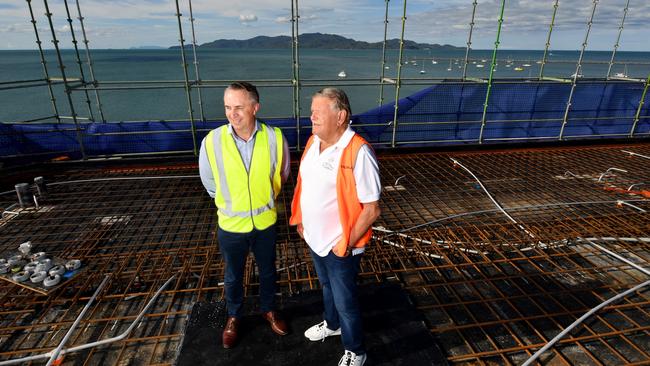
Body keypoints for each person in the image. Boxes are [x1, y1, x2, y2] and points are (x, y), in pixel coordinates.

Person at [290, 88, 381, 366]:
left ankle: (356, 350)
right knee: (327, 287)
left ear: (340, 116)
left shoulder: (358, 151)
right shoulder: (312, 142)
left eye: (319, 111)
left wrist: (346, 243)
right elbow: (306, 184)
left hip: (341, 244)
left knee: (346, 300)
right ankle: (332, 325)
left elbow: (372, 209)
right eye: (312, 110)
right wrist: (301, 219)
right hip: (315, 239)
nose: (312, 115)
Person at [199, 81, 290, 349]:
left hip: (265, 222)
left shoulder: (275, 137)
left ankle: (269, 309)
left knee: (268, 271)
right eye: (228, 107)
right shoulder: (212, 141)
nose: (232, 113)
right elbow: (209, 183)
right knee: (233, 276)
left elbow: (282, 174)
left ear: (255, 107)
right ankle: (234, 316)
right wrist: (232, 202)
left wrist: (262, 200)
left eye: (238, 107)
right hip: (231, 225)